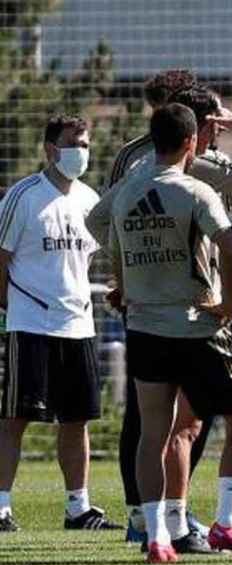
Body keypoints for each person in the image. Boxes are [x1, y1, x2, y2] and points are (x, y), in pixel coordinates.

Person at [93, 72, 232, 551]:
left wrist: (126, 278)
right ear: (193, 132)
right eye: (216, 123)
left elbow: (100, 222)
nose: (219, 131)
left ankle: (160, 529)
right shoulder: (196, 177)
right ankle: (223, 520)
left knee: (159, 428)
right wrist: (225, 303)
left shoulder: (131, 174)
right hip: (195, 317)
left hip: (144, 318)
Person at [0, 115, 121, 533]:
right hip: (30, 323)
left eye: (85, 143)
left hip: (80, 325)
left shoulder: (90, 200)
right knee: (15, 418)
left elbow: (99, 256)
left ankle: (78, 509)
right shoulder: (23, 197)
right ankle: (0, 508)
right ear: (50, 150)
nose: (81, 152)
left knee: (77, 419)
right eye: (74, 143)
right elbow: (0, 260)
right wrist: (12, 306)